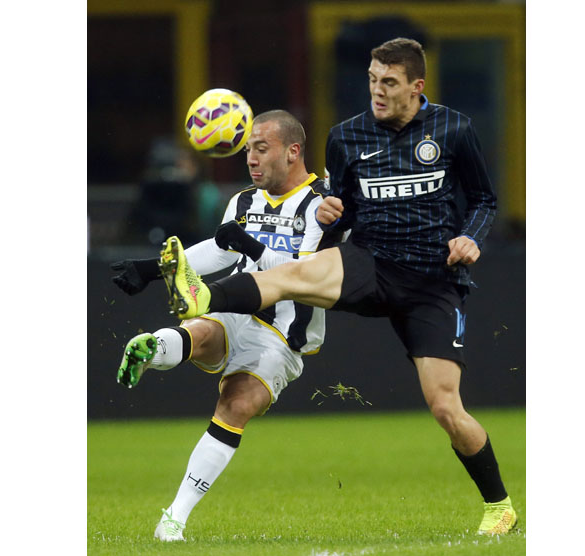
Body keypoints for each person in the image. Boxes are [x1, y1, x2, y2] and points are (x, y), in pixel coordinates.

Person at [163, 38, 518, 536]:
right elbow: (341, 207)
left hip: (432, 284)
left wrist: (470, 237)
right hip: (370, 263)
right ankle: (204, 298)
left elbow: (483, 199)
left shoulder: (453, 129)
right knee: (290, 275)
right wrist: (332, 212)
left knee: (446, 408)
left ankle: (498, 504)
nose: (377, 90)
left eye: (389, 82)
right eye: (373, 79)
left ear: (417, 87)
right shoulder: (348, 137)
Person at [110, 110, 337, 542]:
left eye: (261, 148)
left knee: (236, 404)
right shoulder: (244, 201)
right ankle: (155, 349)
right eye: (248, 149)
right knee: (203, 331)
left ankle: (174, 515)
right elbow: (219, 251)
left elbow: (302, 278)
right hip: (235, 308)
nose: (250, 158)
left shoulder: (323, 206)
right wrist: (150, 269)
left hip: (284, 333)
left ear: (293, 152)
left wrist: (248, 243)